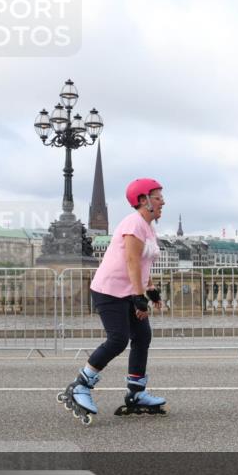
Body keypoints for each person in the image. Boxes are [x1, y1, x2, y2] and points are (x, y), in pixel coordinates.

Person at [58, 178, 168, 425]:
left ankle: (136, 392)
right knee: (118, 339)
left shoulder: (148, 227)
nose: (163, 202)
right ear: (144, 200)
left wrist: (150, 289)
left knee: (142, 336)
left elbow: (143, 263)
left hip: (128, 290)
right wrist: (139, 298)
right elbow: (131, 261)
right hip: (110, 290)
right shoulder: (133, 223)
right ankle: (80, 385)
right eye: (158, 197)